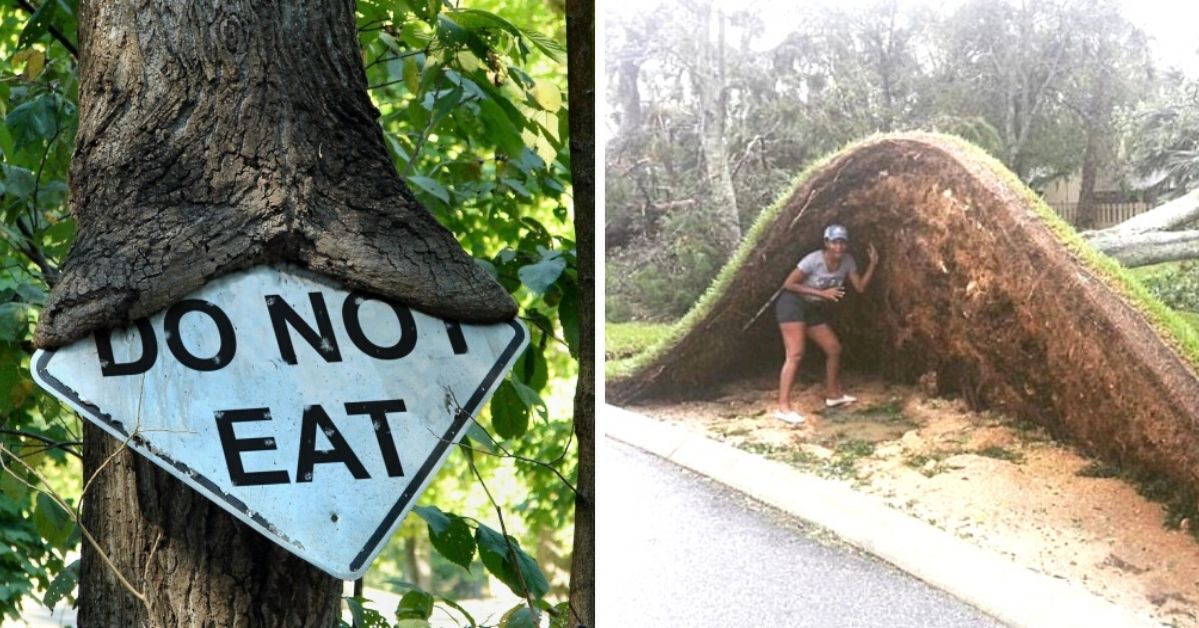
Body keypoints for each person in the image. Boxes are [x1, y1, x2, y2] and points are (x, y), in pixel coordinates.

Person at [773, 224, 878, 425]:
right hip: (791, 304)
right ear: (827, 243)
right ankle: (783, 408)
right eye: (834, 242)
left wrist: (873, 264)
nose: (838, 247)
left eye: (842, 242)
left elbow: (860, 287)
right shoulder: (813, 260)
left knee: (833, 348)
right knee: (795, 354)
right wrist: (823, 293)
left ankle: (833, 395)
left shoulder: (847, 261)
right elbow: (789, 284)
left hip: (810, 308)